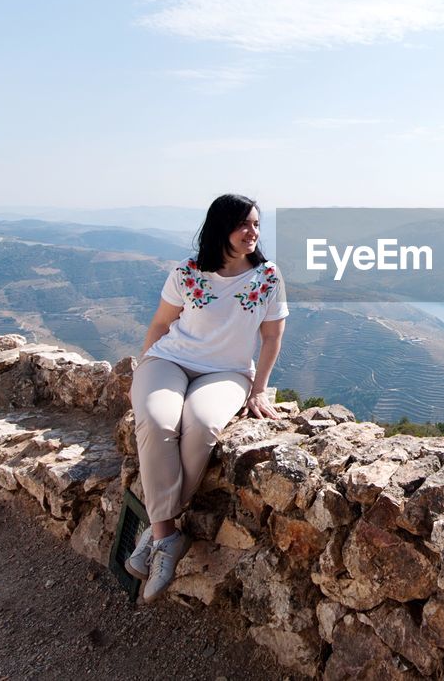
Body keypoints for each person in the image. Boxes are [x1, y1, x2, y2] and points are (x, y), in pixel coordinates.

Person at [123, 193, 288, 601]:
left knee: (202, 425)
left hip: (228, 372)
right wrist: (146, 369)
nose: (253, 232)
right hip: (169, 361)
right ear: (221, 227)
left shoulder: (267, 276)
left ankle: (156, 532)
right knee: (159, 421)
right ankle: (167, 535)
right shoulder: (188, 272)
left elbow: (272, 336)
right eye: (244, 224)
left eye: (257, 225)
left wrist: (260, 387)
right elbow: (161, 324)